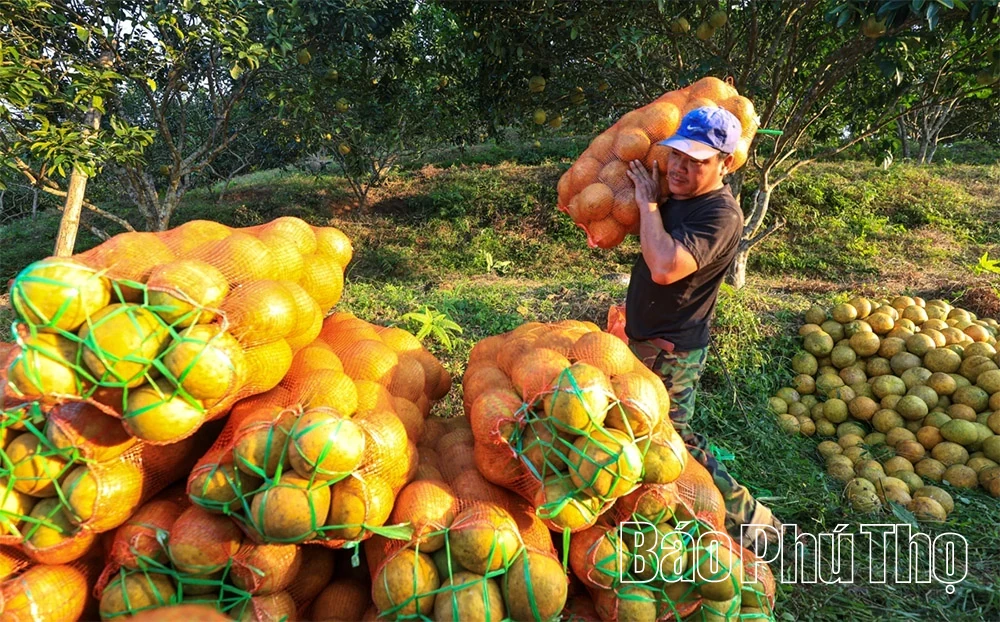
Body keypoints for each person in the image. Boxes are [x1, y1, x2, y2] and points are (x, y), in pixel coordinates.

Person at [624, 106, 781, 549]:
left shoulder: (720, 215)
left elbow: (665, 266)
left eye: (696, 160)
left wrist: (648, 204)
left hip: (673, 349)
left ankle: (752, 520)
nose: (679, 167)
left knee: (675, 438)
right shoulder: (677, 197)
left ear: (726, 164)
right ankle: (657, 510)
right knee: (641, 432)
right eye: (676, 155)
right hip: (645, 338)